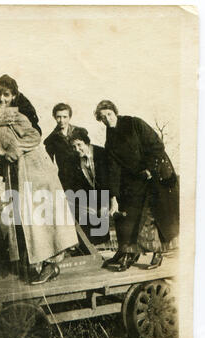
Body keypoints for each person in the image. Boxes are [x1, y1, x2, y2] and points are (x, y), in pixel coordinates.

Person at [0, 105, 78, 284]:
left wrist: (11, 152)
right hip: (24, 175)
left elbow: (34, 136)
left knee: (44, 219)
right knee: (31, 220)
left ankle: (51, 264)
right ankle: (39, 262)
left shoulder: (14, 116)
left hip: (37, 174)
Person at [94, 100, 179, 272]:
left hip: (157, 172)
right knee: (131, 214)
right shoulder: (110, 141)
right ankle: (130, 252)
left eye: (109, 114)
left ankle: (158, 253)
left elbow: (156, 145)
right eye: (103, 117)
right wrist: (114, 195)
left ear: (115, 112)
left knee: (155, 215)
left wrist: (148, 168)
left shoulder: (134, 123)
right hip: (137, 178)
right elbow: (114, 169)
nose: (107, 119)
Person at [69, 127, 110, 245]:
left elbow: (110, 178)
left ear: (87, 142)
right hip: (91, 197)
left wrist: (107, 201)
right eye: (73, 146)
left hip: (108, 193)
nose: (77, 149)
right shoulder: (75, 159)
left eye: (79, 145)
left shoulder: (102, 153)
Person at [44, 103, 86, 191]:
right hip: (66, 180)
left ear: (70, 117)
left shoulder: (81, 132)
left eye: (65, 117)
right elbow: (49, 164)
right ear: (54, 117)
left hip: (85, 176)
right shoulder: (51, 139)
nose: (61, 120)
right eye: (58, 117)